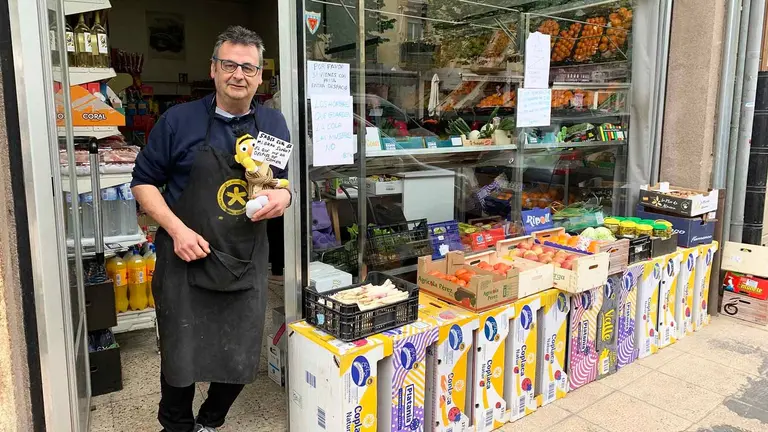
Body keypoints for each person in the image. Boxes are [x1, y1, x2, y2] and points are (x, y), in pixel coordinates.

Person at [131, 26, 291, 432]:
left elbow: (283, 184)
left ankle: (210, 421)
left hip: (244, 259)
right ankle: (178, 424)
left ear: (259, 76)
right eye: (230, 65)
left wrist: (283, 199)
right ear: (214, 69)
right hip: (186, 259)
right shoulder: (178, 121)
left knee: (240, 355)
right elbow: (143, 182)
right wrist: (176, 230)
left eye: (248, 67)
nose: (239, 74)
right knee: (181, 355)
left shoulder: (273, 123)